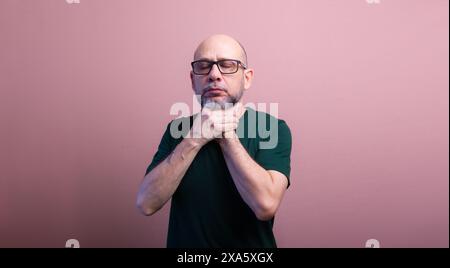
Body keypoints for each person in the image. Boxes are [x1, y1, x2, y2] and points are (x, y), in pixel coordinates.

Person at [136, 34, 292, 248]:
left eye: (227, 65)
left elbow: (265, 205)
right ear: (193, 80)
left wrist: (226, 135)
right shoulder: (176, 131)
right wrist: (195, 138)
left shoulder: (272, 129)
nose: (214, 75)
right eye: (203, 66)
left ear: (247, 78)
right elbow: (146, 203)